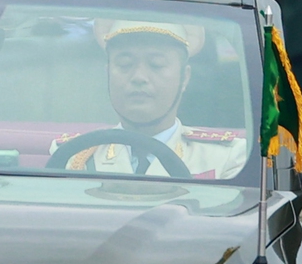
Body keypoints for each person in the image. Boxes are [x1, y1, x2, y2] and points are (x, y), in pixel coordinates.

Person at [51, 20, 248, 180]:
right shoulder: (74, 155)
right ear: (107, 74)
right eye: (125, 64)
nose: (139, 77)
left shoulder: (226, 158)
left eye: (157, 64)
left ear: (185, 77)